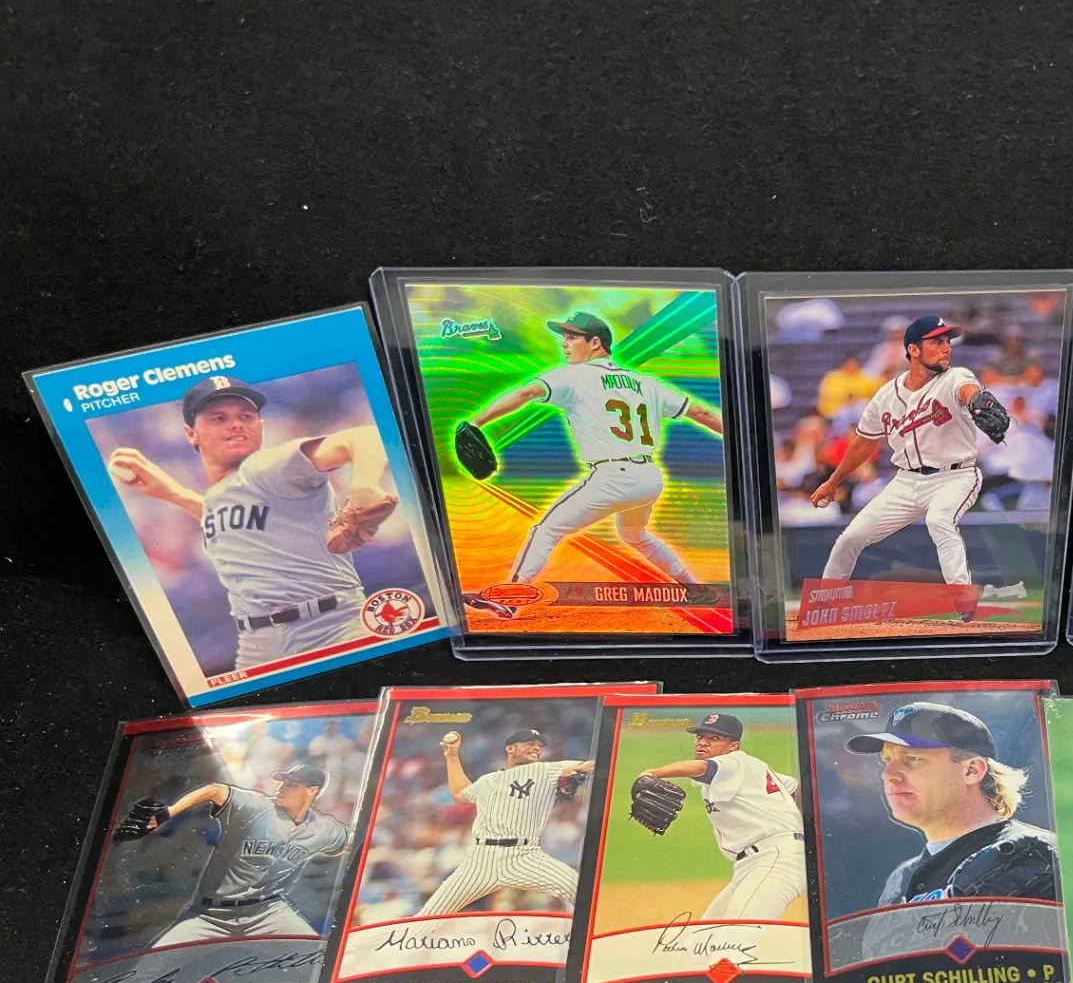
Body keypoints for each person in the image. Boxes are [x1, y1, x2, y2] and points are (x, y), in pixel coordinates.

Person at [107, 375, 398, 668]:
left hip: (331, 627)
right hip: (257, 642)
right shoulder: (223, 491)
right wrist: (174, 493)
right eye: (219, 418)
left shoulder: (270, 464)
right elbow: (233, 521)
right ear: (191, 434)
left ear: (261, 426)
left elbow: (366, 437)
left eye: (246, 416)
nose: (236, 424)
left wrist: (365, 484)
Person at [460, 311, 723, 614]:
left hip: (612, 477)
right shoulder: (646, 383)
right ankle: (696, 588)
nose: (565, 344)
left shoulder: (574, 376)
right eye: (564, 337)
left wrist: (477, 422)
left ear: (595, 343)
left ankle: (508, 598)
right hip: (649, 478)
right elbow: (702, 413)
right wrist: (742, 437)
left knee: (547, 530)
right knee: (635, 535)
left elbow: (526, 392)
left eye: (572, 337)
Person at [807, 316, 1011, 622]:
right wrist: (833, 481)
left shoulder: (955, 377)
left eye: (947, 342)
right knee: (850, 538)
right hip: (905, 482)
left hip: (956, 476)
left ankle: (962, 597)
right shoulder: (887, 395)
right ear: (914, 350)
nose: (946, 348)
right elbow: (864, 442)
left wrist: (975, 401)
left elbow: (968, 390)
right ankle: (823, 605)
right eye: (937, 342)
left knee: (939, 520)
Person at [844, 702, 1058, 906]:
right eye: (887, 760)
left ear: (972, 770)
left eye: (912, 758)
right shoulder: (899, 880)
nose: (888, 774)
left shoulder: (1038, 854)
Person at [113, 762, 350, 945]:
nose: (281, 787)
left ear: (312, 790)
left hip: (268, 913)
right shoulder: (257, 807)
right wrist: (169, 812)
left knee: (314, 962)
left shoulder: (325, 829)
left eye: (291, 784)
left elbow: (356, 843)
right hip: (210, 915)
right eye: (282, 782)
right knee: (148, 972)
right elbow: (215, 790)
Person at [634, 712, 806, 919]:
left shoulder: (733, 761)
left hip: (776, 859)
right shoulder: (750, 767)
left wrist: (652, 773)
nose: (703, 743)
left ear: (734, 746)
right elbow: (796, 789)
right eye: (700, 737)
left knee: (737, 932)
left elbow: (702, 767)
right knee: (705, 933)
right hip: (757, 863)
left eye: (714, 738)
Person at [417, 727, 592, 915]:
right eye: (530, 743)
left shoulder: (545, 770)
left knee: (581, 891)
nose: (536, 748)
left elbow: (587, 766)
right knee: (430, 914)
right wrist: (452, 756)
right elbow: (461, 793)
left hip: (524, 855)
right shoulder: (488, 780)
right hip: (481, 858)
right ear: (510, 749)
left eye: (539, 745)